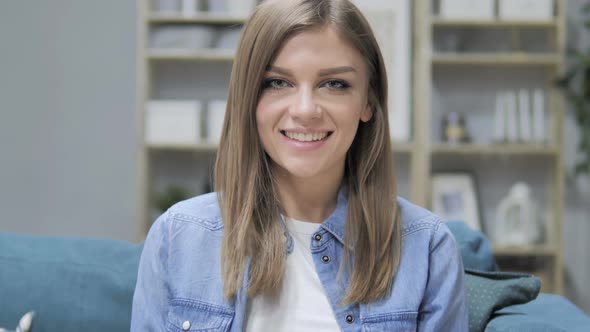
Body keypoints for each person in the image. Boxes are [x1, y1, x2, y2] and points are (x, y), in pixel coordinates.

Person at [131, 0, 468, 331]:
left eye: (334, 84)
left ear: (368, 101)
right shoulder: (177, 236)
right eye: (278, 82)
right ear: (249, 98)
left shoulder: (427, 247)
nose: (305, 109)